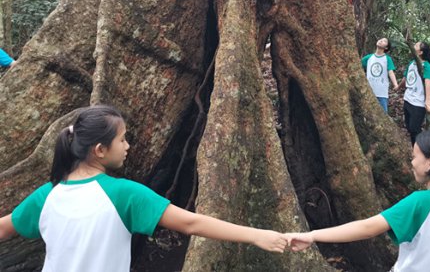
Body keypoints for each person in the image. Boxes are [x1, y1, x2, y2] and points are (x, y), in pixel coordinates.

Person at [0, 105, 287, 272]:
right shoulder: (123, 194)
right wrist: (256, 235)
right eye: (123, 140)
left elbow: (3, 229)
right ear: (100, 149)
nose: (127, 146)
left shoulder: (46, 195)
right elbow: (191, 222)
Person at [286, 130, 430, 272]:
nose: (412, 162)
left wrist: (312, 236)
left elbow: (367, 228)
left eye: (414, 157)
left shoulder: (421, 202)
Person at [401, 41, 430, 145]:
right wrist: (398, 87)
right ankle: (415, 150)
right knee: (409, 127)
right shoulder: (411, 63)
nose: (413, 46)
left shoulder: (426, 66)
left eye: (416, 45)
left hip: (418, 102)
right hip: (407, 99)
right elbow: (405, 78)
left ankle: (421, 151)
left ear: (420, 52)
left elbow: (428, 83)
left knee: (414, 129)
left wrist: (428, 101)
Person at [361, 37, 400, 113]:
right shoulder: (368, 58)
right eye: (381, 39)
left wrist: (395, 84)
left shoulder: (387, 59)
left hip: (381, 91)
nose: (381, 41)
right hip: (368, 90)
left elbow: (390, 72)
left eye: (384, 41)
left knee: (383, 113)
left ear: (386, 47)